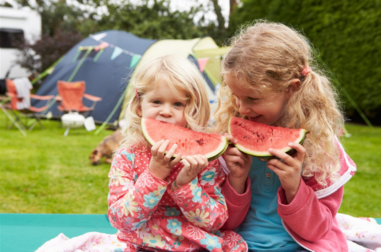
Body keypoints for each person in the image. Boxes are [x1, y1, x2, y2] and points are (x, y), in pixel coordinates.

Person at [213, 21, 357, 252]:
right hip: (236, 244)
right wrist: (236, 181)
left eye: (252, 98)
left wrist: (294, 187)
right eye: (235, 96)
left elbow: (317, 231)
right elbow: (222, 221)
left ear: (291, 88)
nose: (241, 108)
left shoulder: (320, 146)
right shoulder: (230, 140)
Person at [108, 55, 247, 252]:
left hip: (195, 246)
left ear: (193, 108)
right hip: (142, 245)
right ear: (140, 107)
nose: (166, 111)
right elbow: (120, 220)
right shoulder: (126, 157)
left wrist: (185, 184)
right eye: (156, 101)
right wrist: (154, 176)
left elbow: (214, 221)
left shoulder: (203, 160)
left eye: (178, 104)